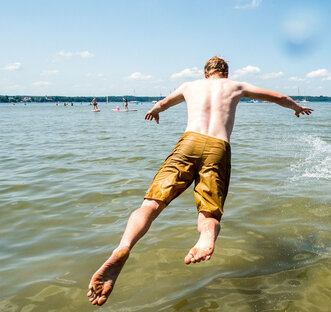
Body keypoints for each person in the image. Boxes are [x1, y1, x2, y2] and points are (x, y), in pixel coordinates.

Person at [87, 56, 313, 306]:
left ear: (205, 74)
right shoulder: (236, 86)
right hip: (218, 147)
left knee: (150, 205)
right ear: (225, 74)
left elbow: (163, 103)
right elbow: (279, 97)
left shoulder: (189, 86)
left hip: (188, 142)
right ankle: (206, 238)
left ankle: (124, 246)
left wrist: (154, 111)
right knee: (209, 215)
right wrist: (296, 108)